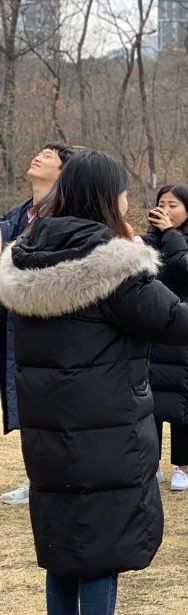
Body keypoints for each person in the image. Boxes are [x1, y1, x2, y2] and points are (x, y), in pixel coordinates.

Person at [0, 149, 188, 615]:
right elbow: (180, 323)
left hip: (48, 430)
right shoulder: (113, 264)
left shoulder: (24, 255)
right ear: (104, 197)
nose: (126, 200)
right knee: (101, 544)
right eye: (121, 191)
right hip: (107, 428)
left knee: (63, 542)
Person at [0, 142, 75, 506]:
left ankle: (56, 479)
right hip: (17, 324)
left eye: (49, 156)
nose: (39, 156)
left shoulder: (69, 219)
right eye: (39, 151)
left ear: (62, 174)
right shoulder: (16, 217)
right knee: (31, 407)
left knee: (57, 407)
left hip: (54, 327)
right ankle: (39, 479)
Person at [141, 185, 188, 491]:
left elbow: (185, 270)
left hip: (183, 327)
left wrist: (170, 233)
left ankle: (182, 466)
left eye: (173, 205)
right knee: (150, 402)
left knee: (183, 400)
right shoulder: (148, 241)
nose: (165, 210)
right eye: (161, 204)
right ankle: (152, 464)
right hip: (151, 329)